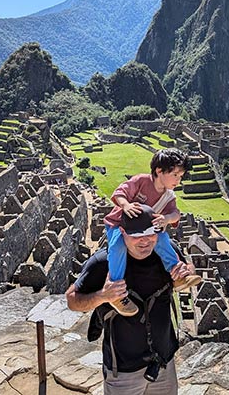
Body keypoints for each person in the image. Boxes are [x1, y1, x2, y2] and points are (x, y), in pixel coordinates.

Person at [66, 208, 196, 395]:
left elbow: (188, 270)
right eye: (137, 235)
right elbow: (72, 300)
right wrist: (103, 296)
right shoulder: (103, 263)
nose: (145, 241)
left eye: (151, 233)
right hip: (123, 370)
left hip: (163, 362)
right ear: (122, 232)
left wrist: (186, 272)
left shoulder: (167, 253)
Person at [104, 148, 201, 316]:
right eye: (175, 175)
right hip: (119, 224)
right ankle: (116, 292)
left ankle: (177, 275)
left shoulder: (168, 196)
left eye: (181, 176)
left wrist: (167, 219)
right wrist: (125, 205)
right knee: (117, 247)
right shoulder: (141, 181)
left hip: (148, 229)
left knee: (163, 239)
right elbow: (121, 192)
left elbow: (176, 213)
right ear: (159, 171)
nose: (179, 180)